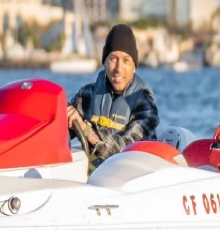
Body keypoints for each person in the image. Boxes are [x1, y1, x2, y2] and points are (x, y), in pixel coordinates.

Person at [66, 24, 159, 166]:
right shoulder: (87, 95)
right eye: (113, 59)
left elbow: (123, 152)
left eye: (126, 60)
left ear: (134, 67)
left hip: (133, 178)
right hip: (95, 179)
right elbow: (61, 130)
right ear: (104, 62)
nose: (118, 69)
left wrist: (85, 130)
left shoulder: (145, 105)